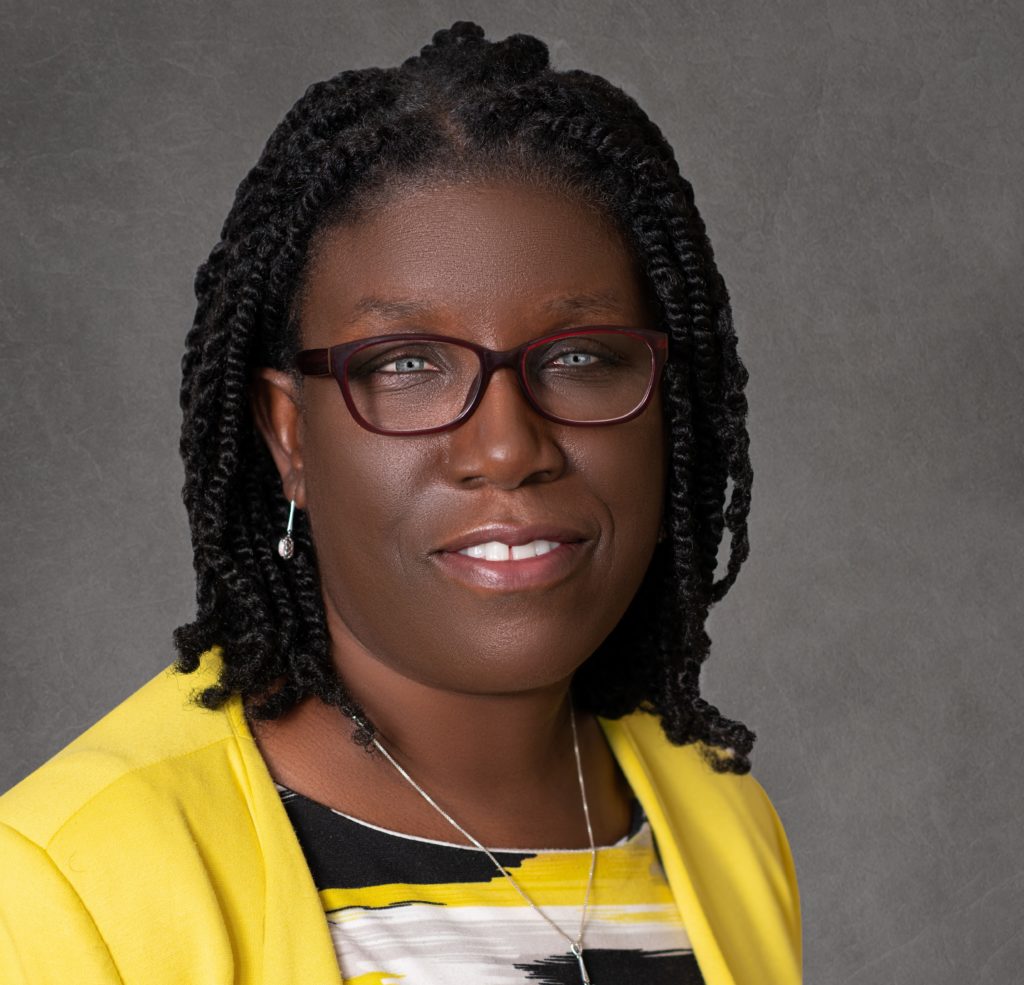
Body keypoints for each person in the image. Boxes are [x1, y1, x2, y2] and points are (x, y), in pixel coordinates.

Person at [0, 22, 800, 985]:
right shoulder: (66, 886)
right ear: (290, 434)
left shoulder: (724, 823)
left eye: (582, 357)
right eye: (408, 364)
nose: (508, 445)